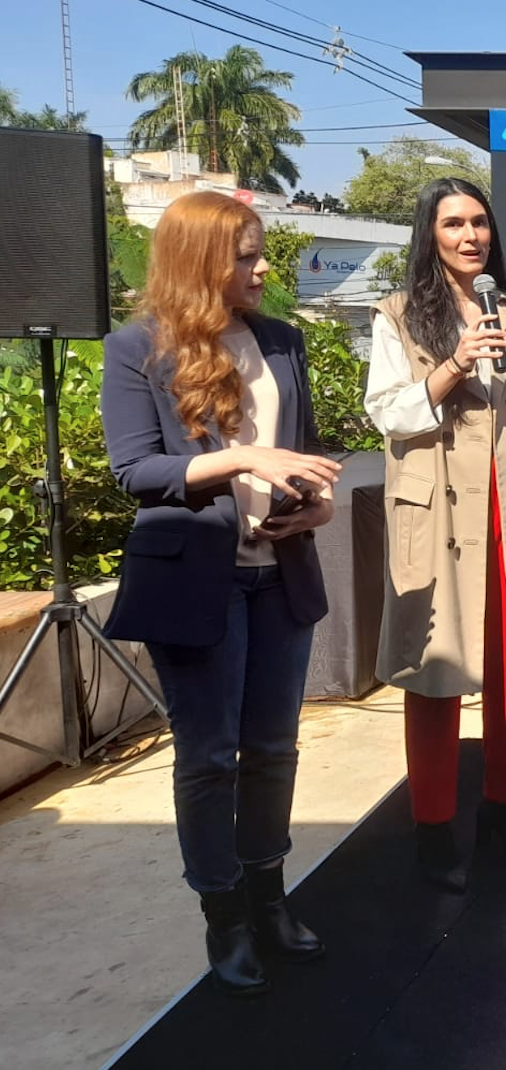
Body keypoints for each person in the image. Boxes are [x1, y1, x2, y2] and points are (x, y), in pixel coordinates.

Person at [101, 191, 342, 996]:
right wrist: (243, 463)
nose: (263, 266)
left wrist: (317, 501)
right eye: (245, 254)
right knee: (210, 758)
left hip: (280, 573)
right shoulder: (135, 348)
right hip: (195, 580)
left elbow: (296, 454)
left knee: (274, 749)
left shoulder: (282, 341)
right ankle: (224, 915)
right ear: (199, 261)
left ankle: (270, 895)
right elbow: (136, 471)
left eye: (260, 250)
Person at [364, 178, 506, 893]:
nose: (470, 236)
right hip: (439, 509)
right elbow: (388, 414)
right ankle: (431, 827)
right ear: (431, 233)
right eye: (453, 223)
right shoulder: (396, 315)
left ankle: (505, 812)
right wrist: (453, 363)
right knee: (436, 670)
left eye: (479, 222)